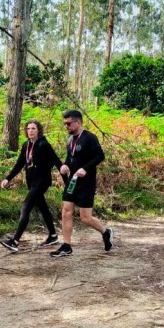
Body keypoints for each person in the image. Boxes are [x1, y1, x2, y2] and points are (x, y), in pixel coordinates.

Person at [50, 110, 113, 257]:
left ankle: (106, 232)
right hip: (72, 181)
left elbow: (100, 156)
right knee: (66, 211)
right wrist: (65, 165)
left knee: (85, 217)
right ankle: (66, 245)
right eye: (65, 124)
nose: (66, 126)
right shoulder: (70, 140)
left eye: (68, 123)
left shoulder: (90, 137)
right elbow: (70, 157)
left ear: (78, 122)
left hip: (87, 182)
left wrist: (85, 168)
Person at [0, 120, 63, 251]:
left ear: (38, 130)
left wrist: (68, 183)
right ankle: (53, 235)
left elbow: (57, 161)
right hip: (32, 182)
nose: (30, 131)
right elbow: (19, 164)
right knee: (43, 207)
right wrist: (8, 178)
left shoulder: (43, 145)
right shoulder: (26, 145)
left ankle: (15, 241)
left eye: (33, 128)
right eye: (28, 128)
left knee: (25, 207)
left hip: (42, 182)